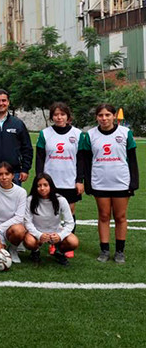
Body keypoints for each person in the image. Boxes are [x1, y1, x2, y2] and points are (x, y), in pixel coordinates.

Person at [79, 103, 139, 263]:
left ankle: (120, 251)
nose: (104, 118)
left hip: (121, 182)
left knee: (120, 216)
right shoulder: (90, 135)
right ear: (96, 117)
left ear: (114, 116)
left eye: (107, 115)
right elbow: (86, 161)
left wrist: (134, 182)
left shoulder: (125, 133)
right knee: (104, 216)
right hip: (100, 182)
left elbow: (132, 159)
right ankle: (104, 250)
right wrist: (88, 183)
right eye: (100, 115)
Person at [35, 102, 83, 258]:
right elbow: (40, 158)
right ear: (51, 117)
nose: (59, 117)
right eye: (56, 114)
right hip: (50, 182)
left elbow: (81, 159)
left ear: (68, 117)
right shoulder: (45, 134)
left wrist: (79, 180)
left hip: (70, 180)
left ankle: (65, 245)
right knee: (51, 213)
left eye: (62, 114)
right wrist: (40, 178)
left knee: (70, 213)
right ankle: (52, 244)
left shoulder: (77, 134)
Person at [23, 173, 79, 266]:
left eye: (45, 185)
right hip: (38, 231)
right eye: (39, 185)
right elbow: (27, 222)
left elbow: (70, 222)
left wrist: (60, 236)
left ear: (51, 186)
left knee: (73, 242)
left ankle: (59, 251)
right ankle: (35, 251)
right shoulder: (30, 200)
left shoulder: (60, 200)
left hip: (55, 232)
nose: (42, 188)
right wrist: (39, 235)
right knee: (29, 241)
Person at [0, 162, 27, 263]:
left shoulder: (21, 192)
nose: (4, 177)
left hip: (11, 228)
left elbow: (19, 217)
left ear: (13, 175)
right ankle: (1, 244)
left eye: (7, 174)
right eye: (0, 174)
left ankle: (13, 249)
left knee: (19, 230)